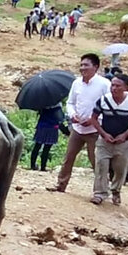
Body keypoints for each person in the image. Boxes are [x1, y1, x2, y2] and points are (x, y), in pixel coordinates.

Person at [48, 53, 110, 194]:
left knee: (96, 161)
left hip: (94, 130)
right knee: (68, 158)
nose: (82, 68)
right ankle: (61, 185)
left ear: (96, 67)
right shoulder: (76, 83)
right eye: (81, 65)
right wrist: (72, 115)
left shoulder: (104, 84)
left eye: (86, 65)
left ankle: (101, 191)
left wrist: (94, 120)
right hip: (77, 128)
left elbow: (108, 106)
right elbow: (70, 102)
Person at [89, 73, 128, 205]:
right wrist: (103, 134)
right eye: (112, 85)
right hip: (104, 141)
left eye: (118, 85)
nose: (114, 88)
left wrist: (125, 134)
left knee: (120, 169)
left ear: (126, 87)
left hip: (123, 143)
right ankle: (99, 193)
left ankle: (116, 190)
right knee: (101, 166)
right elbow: (93, 118)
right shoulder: (103, 100)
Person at [31, 102, 66, 171]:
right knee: (47, 149)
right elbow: (60, 118)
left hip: (41, 126)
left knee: (37, 146)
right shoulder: (57, 106)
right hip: (52, 128)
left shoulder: (42, 104)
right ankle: (43, 167)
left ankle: (32, 165)